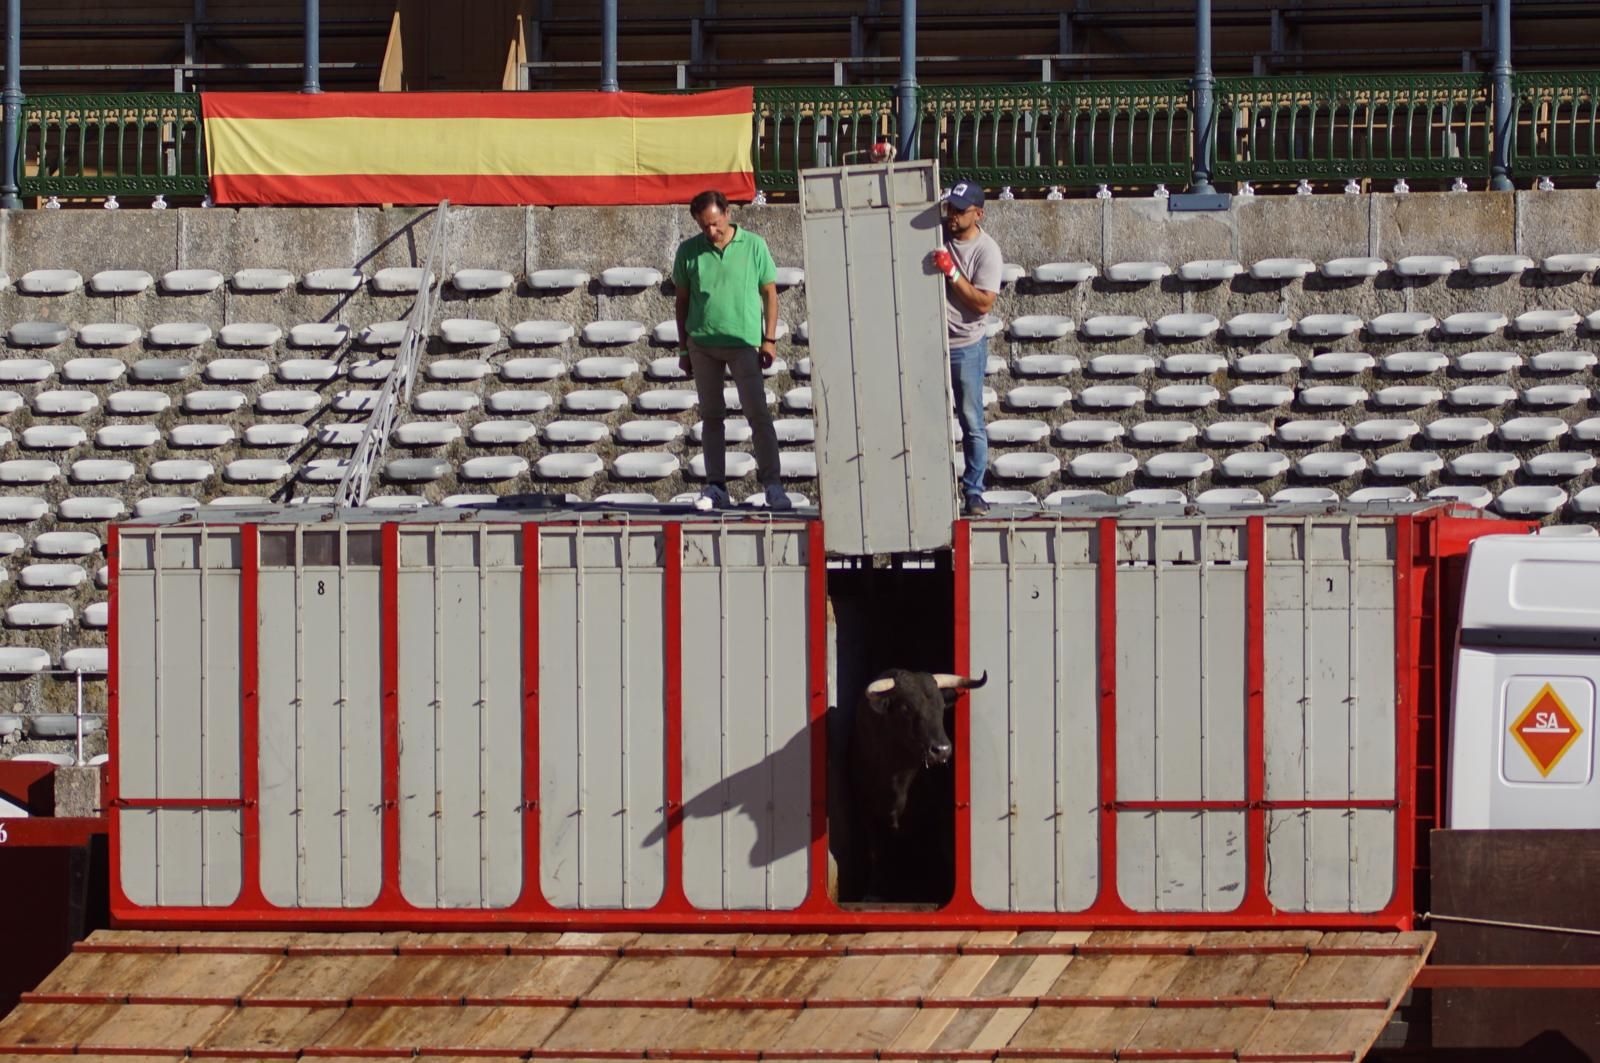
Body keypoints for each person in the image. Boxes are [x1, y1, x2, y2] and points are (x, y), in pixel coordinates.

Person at [672, 189, 790, 511]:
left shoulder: (754, 245)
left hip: (743, 344)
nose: (711, 231)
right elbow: (682, 301)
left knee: (758, 415)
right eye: (704, 226)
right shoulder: (688, 251)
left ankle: (773, 485)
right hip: (702, 345)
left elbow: (769, 292)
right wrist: (683, 349)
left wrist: (769, 339)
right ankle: (716, 486)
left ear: (726, 213)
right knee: (711, 417)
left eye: (715, 223)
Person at [930, 180, 1003, 517]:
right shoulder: (937, 234)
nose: (953, 215)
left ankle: (974, 491)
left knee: (971, 419)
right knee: (930, 419)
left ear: (979, 214)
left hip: (966, 345)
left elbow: (983, 303)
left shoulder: (987, 251)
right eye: (950, 208)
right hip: (931, 342)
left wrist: (952, 274)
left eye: (961, 210)